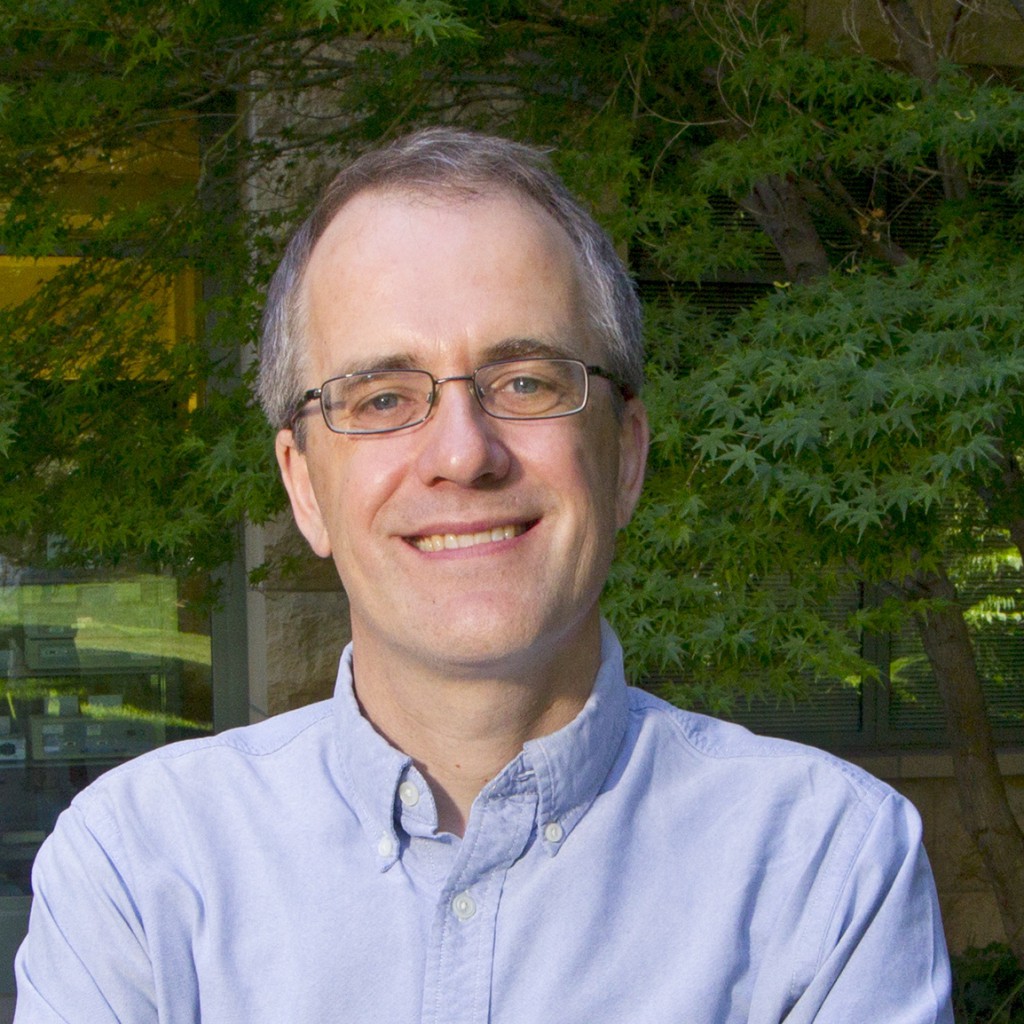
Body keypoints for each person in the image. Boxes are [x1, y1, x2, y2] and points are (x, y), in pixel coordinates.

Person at [14, 128, 953, 1023]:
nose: (463, 455)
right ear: (303, 487)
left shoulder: (824, 866)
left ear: (625, 456)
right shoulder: (135, 871)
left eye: (527, 383)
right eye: (383, 398)